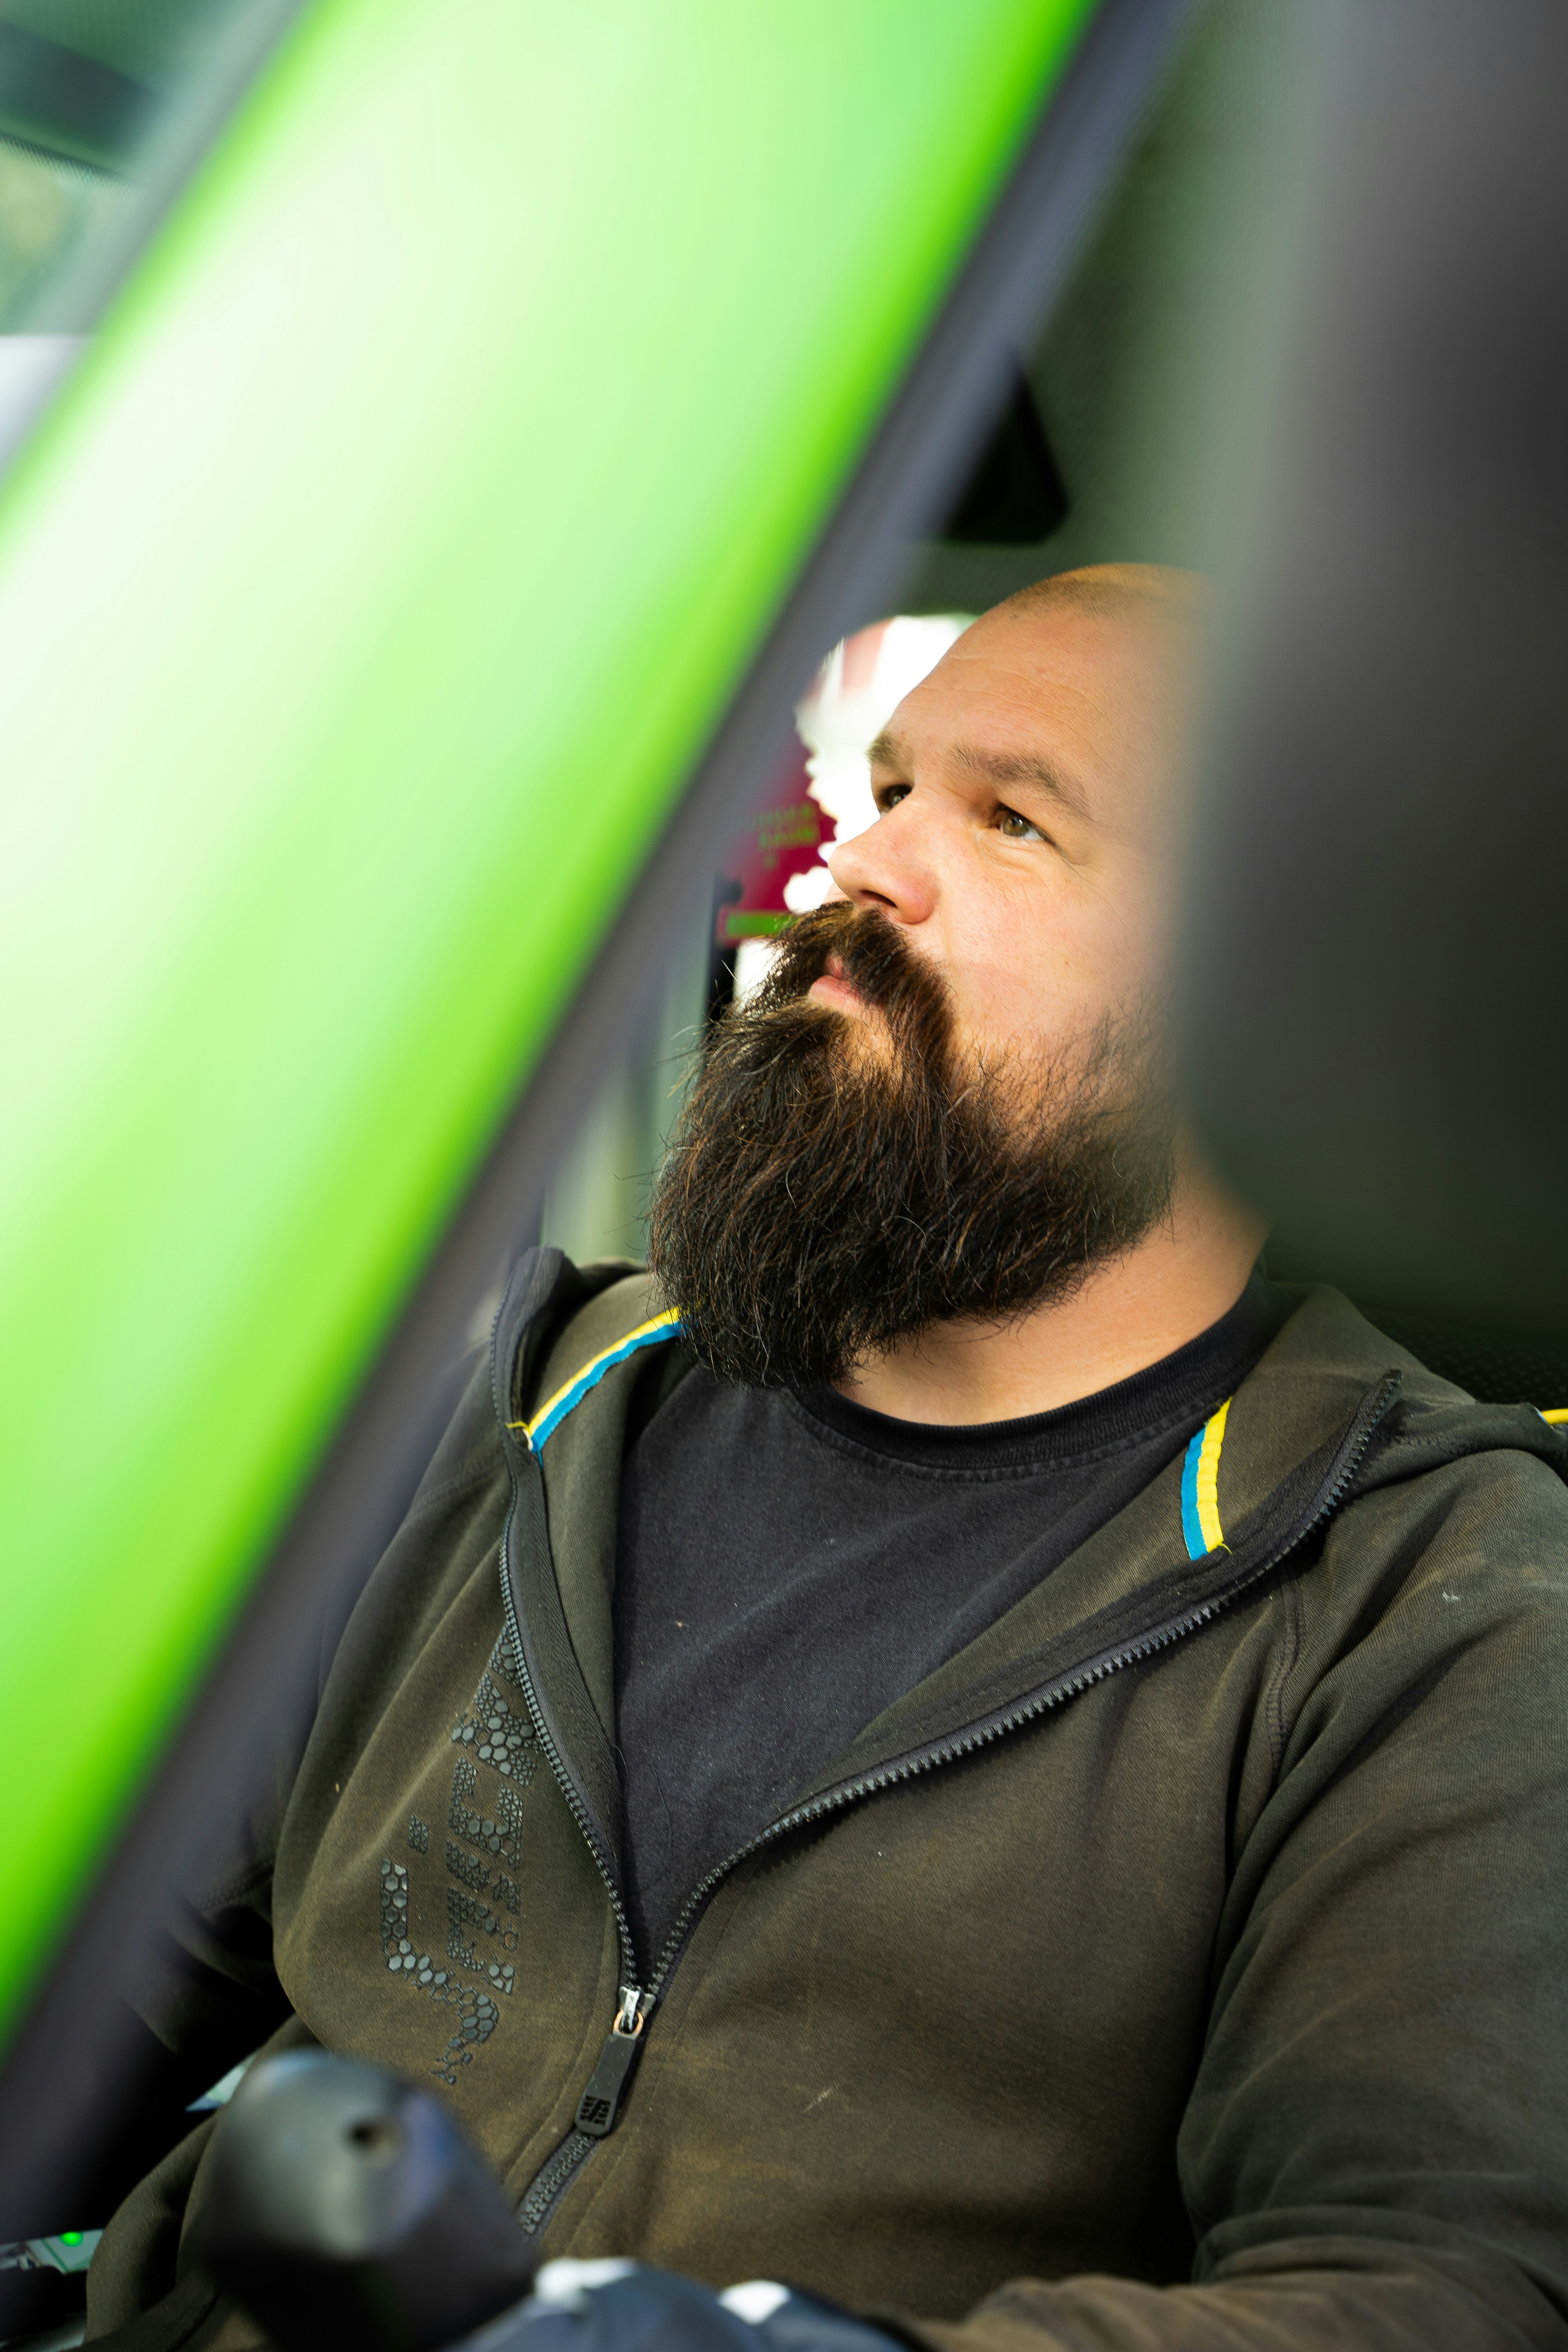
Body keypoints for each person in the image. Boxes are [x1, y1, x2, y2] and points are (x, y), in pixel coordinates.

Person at [89, 568, 1568, 2351]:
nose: (856, 869)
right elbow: (90, 1986)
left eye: (1013, 820)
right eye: (888, 794)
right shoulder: (505, 1406)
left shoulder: (1427, 1601)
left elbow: (1437, 2292)